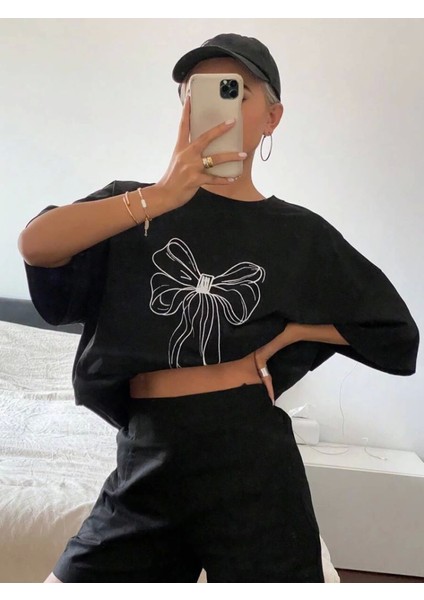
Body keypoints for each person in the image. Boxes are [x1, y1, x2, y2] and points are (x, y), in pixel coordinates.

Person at [19, 33, 419, 583]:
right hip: (147, 454)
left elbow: (394, 332)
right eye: (194, 91)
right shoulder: (131, 205)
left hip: (250, 455)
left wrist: (290, 333)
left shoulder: (298, 233)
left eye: (234, 90)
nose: (208, 104)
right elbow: (36, 244)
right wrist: (161, 196)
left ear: (272, 117)